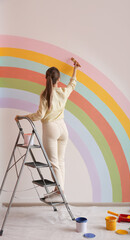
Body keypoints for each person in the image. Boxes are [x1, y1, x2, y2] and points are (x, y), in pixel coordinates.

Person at [15, 58, 80, 202]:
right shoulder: (63, 92)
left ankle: (60, 192)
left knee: (54, 162)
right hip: (63, 128)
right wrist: (75, 70)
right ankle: (59, 190)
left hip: (51, 128)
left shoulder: (45, 95)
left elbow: (39, 115)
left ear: (46, 78)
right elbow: (72, 84)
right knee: (60, 162)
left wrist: (23, 117)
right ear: (59, 79)